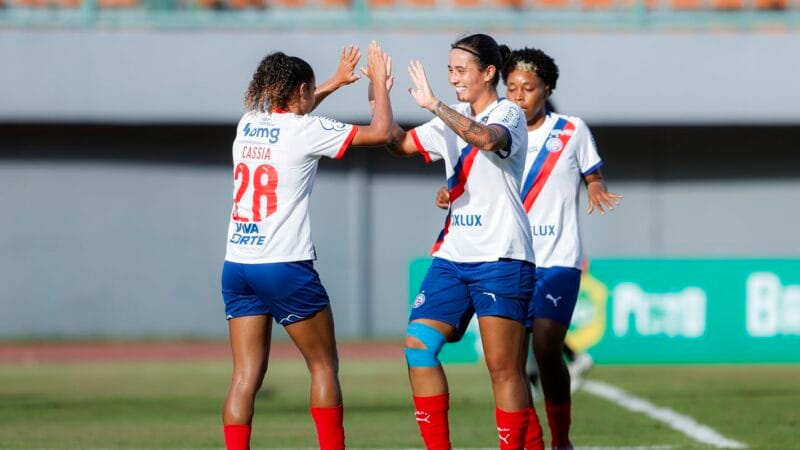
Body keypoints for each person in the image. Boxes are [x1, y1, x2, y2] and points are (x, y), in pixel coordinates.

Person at [435, 46, 621, 450]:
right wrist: (450, 192)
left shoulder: (571, 130)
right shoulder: (493, 129)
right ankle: (532, 443)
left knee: (547, 346)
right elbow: (472, 181)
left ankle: (561, 440)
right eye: (513, 88)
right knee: (511, 364)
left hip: (558, 259)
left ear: (546, 89)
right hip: (512, 258)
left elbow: (593, 173)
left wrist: (596, 187)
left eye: (528, 88)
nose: (519, 96)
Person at [220, 42, 393, 450]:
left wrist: (332, 82)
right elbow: (382, 132)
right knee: (323, 366)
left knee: (244, 377)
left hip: (237, 265)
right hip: (284, 265)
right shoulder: (305, 131)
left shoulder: (248, 123)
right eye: (311, 90)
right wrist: (380, 87)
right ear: (301, 90)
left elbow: (295, 112)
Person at [385, 33, 541, 450]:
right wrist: (379, 95)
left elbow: (487, 139)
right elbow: (399, 144)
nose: (453, 77)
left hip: (502, 255)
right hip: (453, 255)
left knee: (503, 369)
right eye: (450, 70)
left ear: (488, 72)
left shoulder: (508, 112)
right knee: (418, 346)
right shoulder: (448, 118)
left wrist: (435, 105)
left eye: (461, 70)